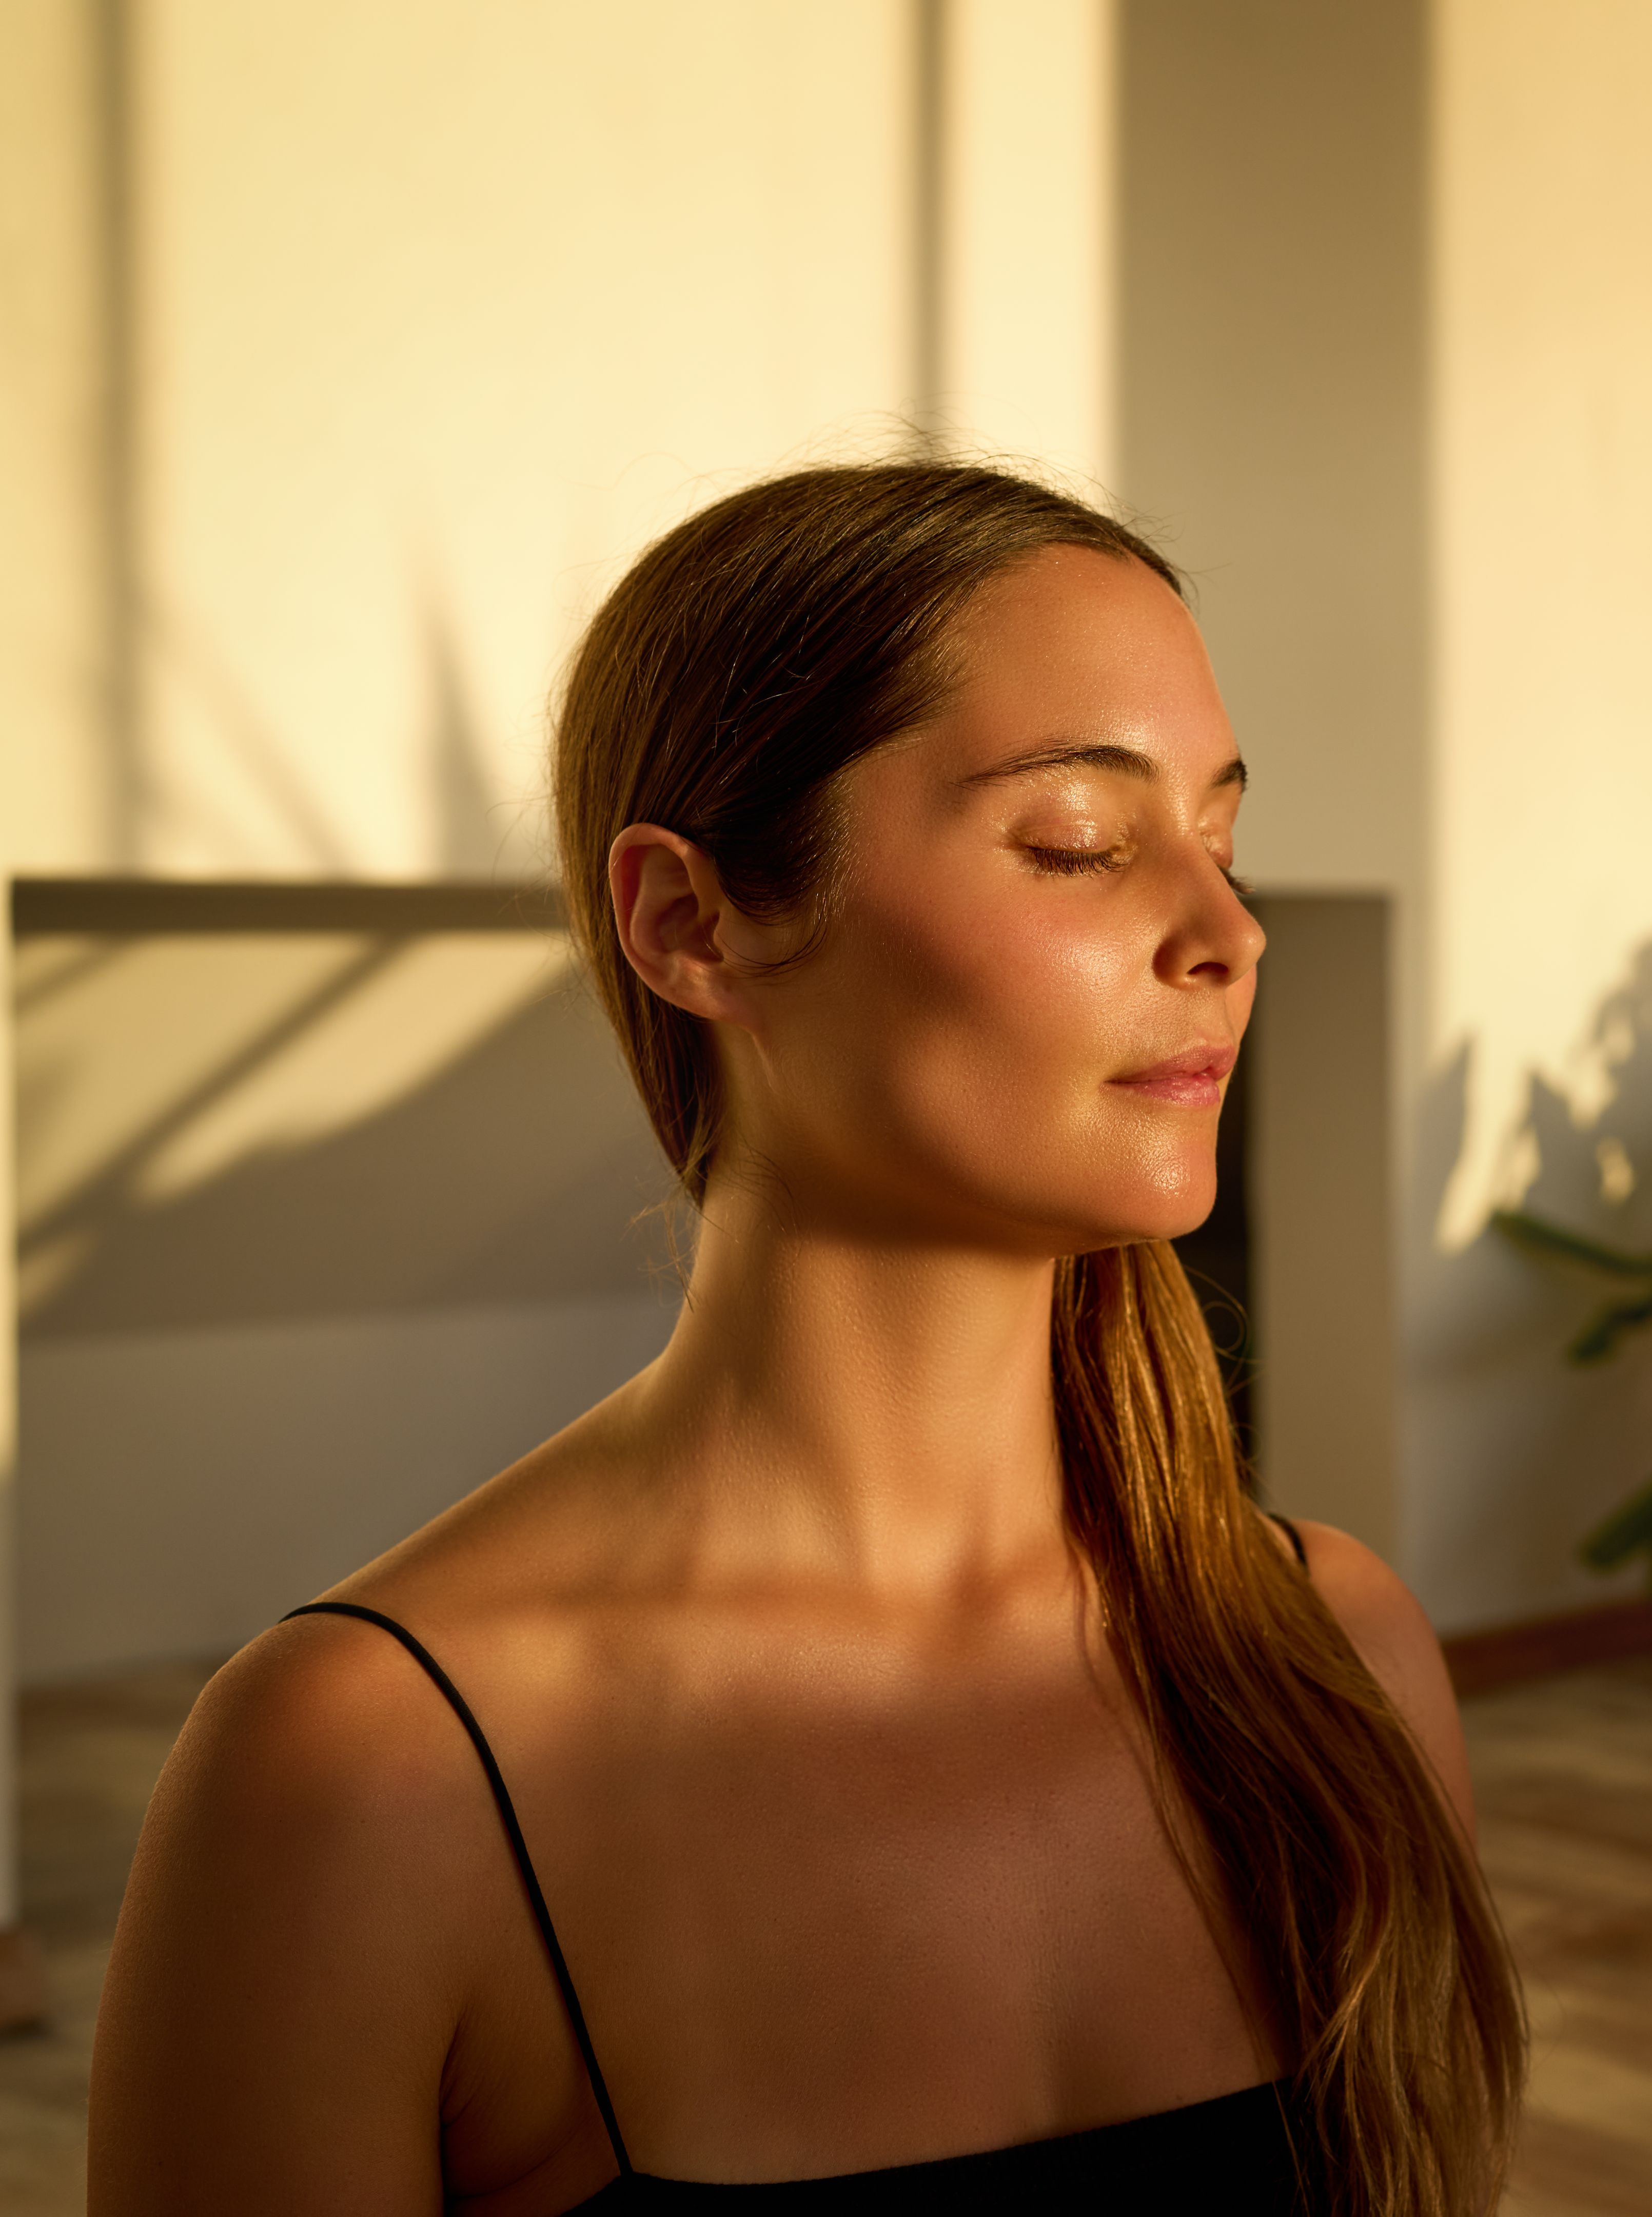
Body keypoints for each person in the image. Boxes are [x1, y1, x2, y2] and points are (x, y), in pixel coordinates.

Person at [88, 464, 1524, 2214]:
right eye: (1080, 838)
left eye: (1219, 836)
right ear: (693, 923)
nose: (1228, 931)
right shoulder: (365, 1779)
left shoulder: (1334, 1658)